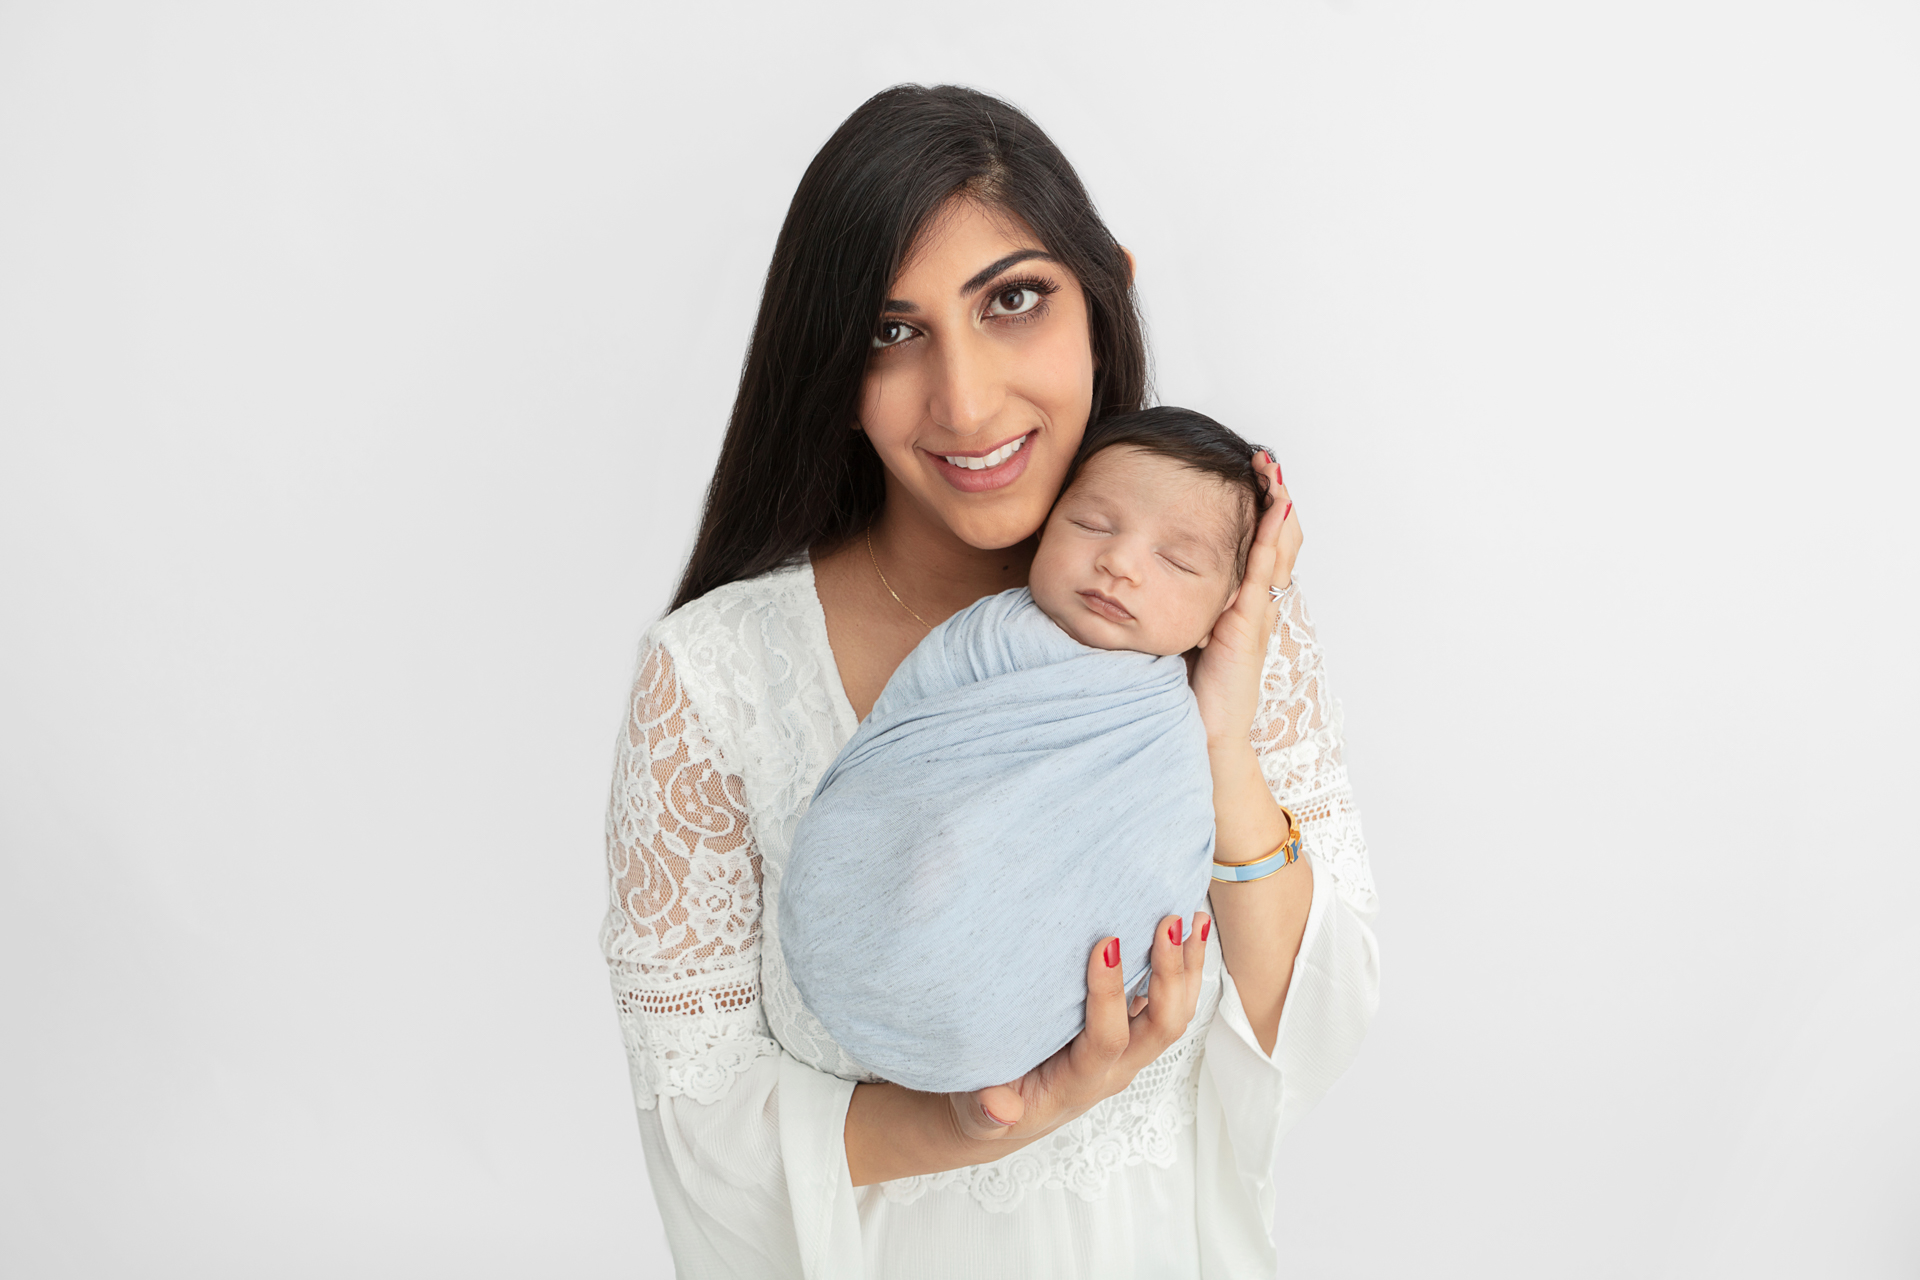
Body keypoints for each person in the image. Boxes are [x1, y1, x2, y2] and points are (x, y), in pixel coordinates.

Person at [602, 83, 1379, 1279]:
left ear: (1104, 290)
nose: (964, 401)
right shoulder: (715, 676)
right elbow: (701, 1137)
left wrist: (1218, 730)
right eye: (890, 330)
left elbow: (1311, 1020)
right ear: (831, 367)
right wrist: (974, 1118)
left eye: (1012, 300)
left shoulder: (1213, 615)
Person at [780, 407, 1276, 1096]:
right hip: (878, 913)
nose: (1119, 561)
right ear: (1048, 523)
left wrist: (1221, 733)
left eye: (1178, 559)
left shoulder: (1174, 732)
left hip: (1013, 1003)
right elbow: (896, 753)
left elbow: (1156, 860)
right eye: (1092, 524)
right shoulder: (991, 635)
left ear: (1229, 606)